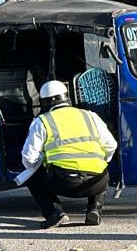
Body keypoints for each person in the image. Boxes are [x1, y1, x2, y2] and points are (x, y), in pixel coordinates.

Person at [16, 80, 117, 229]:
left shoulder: (42, 121)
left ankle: (54, 213)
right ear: (67, 97)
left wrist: (43, 164)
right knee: (103, 171)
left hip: (63, 182)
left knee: (33, 177)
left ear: (45, 102)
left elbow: (29, 157)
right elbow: (111, 145)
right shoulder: (90, 116)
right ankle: (94, 209)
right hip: (95, 183)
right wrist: (99, 161)